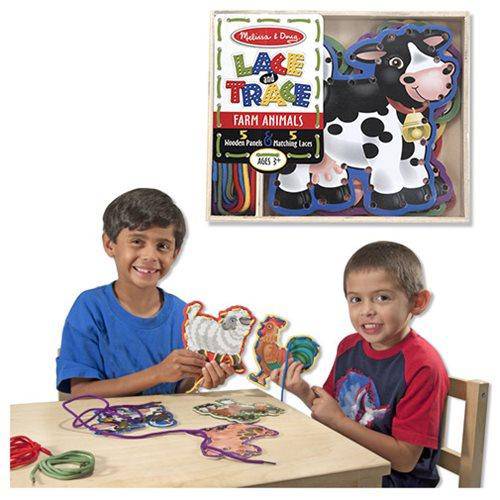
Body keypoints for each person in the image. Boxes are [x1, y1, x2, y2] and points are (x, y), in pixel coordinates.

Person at [271, 241, 448, 487]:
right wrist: (302, 391)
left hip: (394, 481)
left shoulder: (422, 366)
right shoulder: (349, 346)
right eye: (356, 299)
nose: (366, 311)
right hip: (347, 459)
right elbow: (330, 410)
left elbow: (405, 460)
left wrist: (339, 421)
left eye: (382, 298)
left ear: (417, 302)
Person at [56, 188, 234, 397]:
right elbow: (80, 393)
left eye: (162, 246)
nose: (150, 256)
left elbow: (176, 388)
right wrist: (158, 373)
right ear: (109, 244)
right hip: (102, 418)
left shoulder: (184, 315)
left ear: (175, 253)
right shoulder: (90, 308)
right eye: (137, 241)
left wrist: (198, 377)